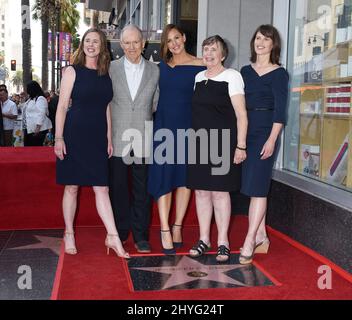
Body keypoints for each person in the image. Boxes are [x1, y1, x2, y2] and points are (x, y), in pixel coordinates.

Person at [55, 28, 129, 259]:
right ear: (82, 45)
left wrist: (108, 137)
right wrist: (58, 138)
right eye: (87, 40)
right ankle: (69, 233)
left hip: (97, 137)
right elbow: (61, 107)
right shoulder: (72, 71)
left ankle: (113, 236)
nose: (91, 44)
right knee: (72, 187)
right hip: (74, 135)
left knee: (102, 188)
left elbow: (106, 106)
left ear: (102, 46)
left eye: (95, 41)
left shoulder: (105, 74)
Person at [187, 35, 248, 262]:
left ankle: (223, 241)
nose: (209, 53)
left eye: (214, 50)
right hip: (199, 142)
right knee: (201, 192)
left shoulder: (232, 76)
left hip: (223, 143)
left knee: (220, 193)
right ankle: (204, 238)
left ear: (223, 54)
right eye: (206, 49)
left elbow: (242, 115)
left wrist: (240, 146)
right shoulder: (198, 77)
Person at [147, 24, 205, 255]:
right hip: (163, 128)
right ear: (166, 45)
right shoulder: (160, 68)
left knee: (184, 179)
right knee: (164, 177)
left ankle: (177, 226)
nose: (174, 43)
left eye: (177, 38)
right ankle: (164, 228)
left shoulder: (201, 64)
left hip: (189, 128)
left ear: (184, 37)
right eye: (169, 40)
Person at [239, 25, 289, 264]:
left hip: (266, 132)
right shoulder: (245, 72)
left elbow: (280, 112)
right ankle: (261, 236)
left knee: (258, 187)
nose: (260, 42)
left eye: (266, 39)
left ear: (273, 45)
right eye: (258, 37)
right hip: (246, 131)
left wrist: (272, 139)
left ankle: (250, 239)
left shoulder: (279, 73)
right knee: (253, 186)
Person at [109, 25, 159, 253]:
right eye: (127, 43)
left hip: (143, 137)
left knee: (142, 190)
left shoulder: (155, 71)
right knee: (118, 187)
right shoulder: (110, 68)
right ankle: (120, 232)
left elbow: (155, 102)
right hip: (117, 137)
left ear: (144, 43)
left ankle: (141, 236)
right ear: (121, 44)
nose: (131, 47)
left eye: (135, 42)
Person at [22, 81, 52, 146]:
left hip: (38, 130)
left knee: (36, 149)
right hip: (30, 129)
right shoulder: (31, 99)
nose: (27, 90)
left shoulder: (40, 99)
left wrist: (38, 128)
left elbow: (41, 113)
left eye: (28, 89)